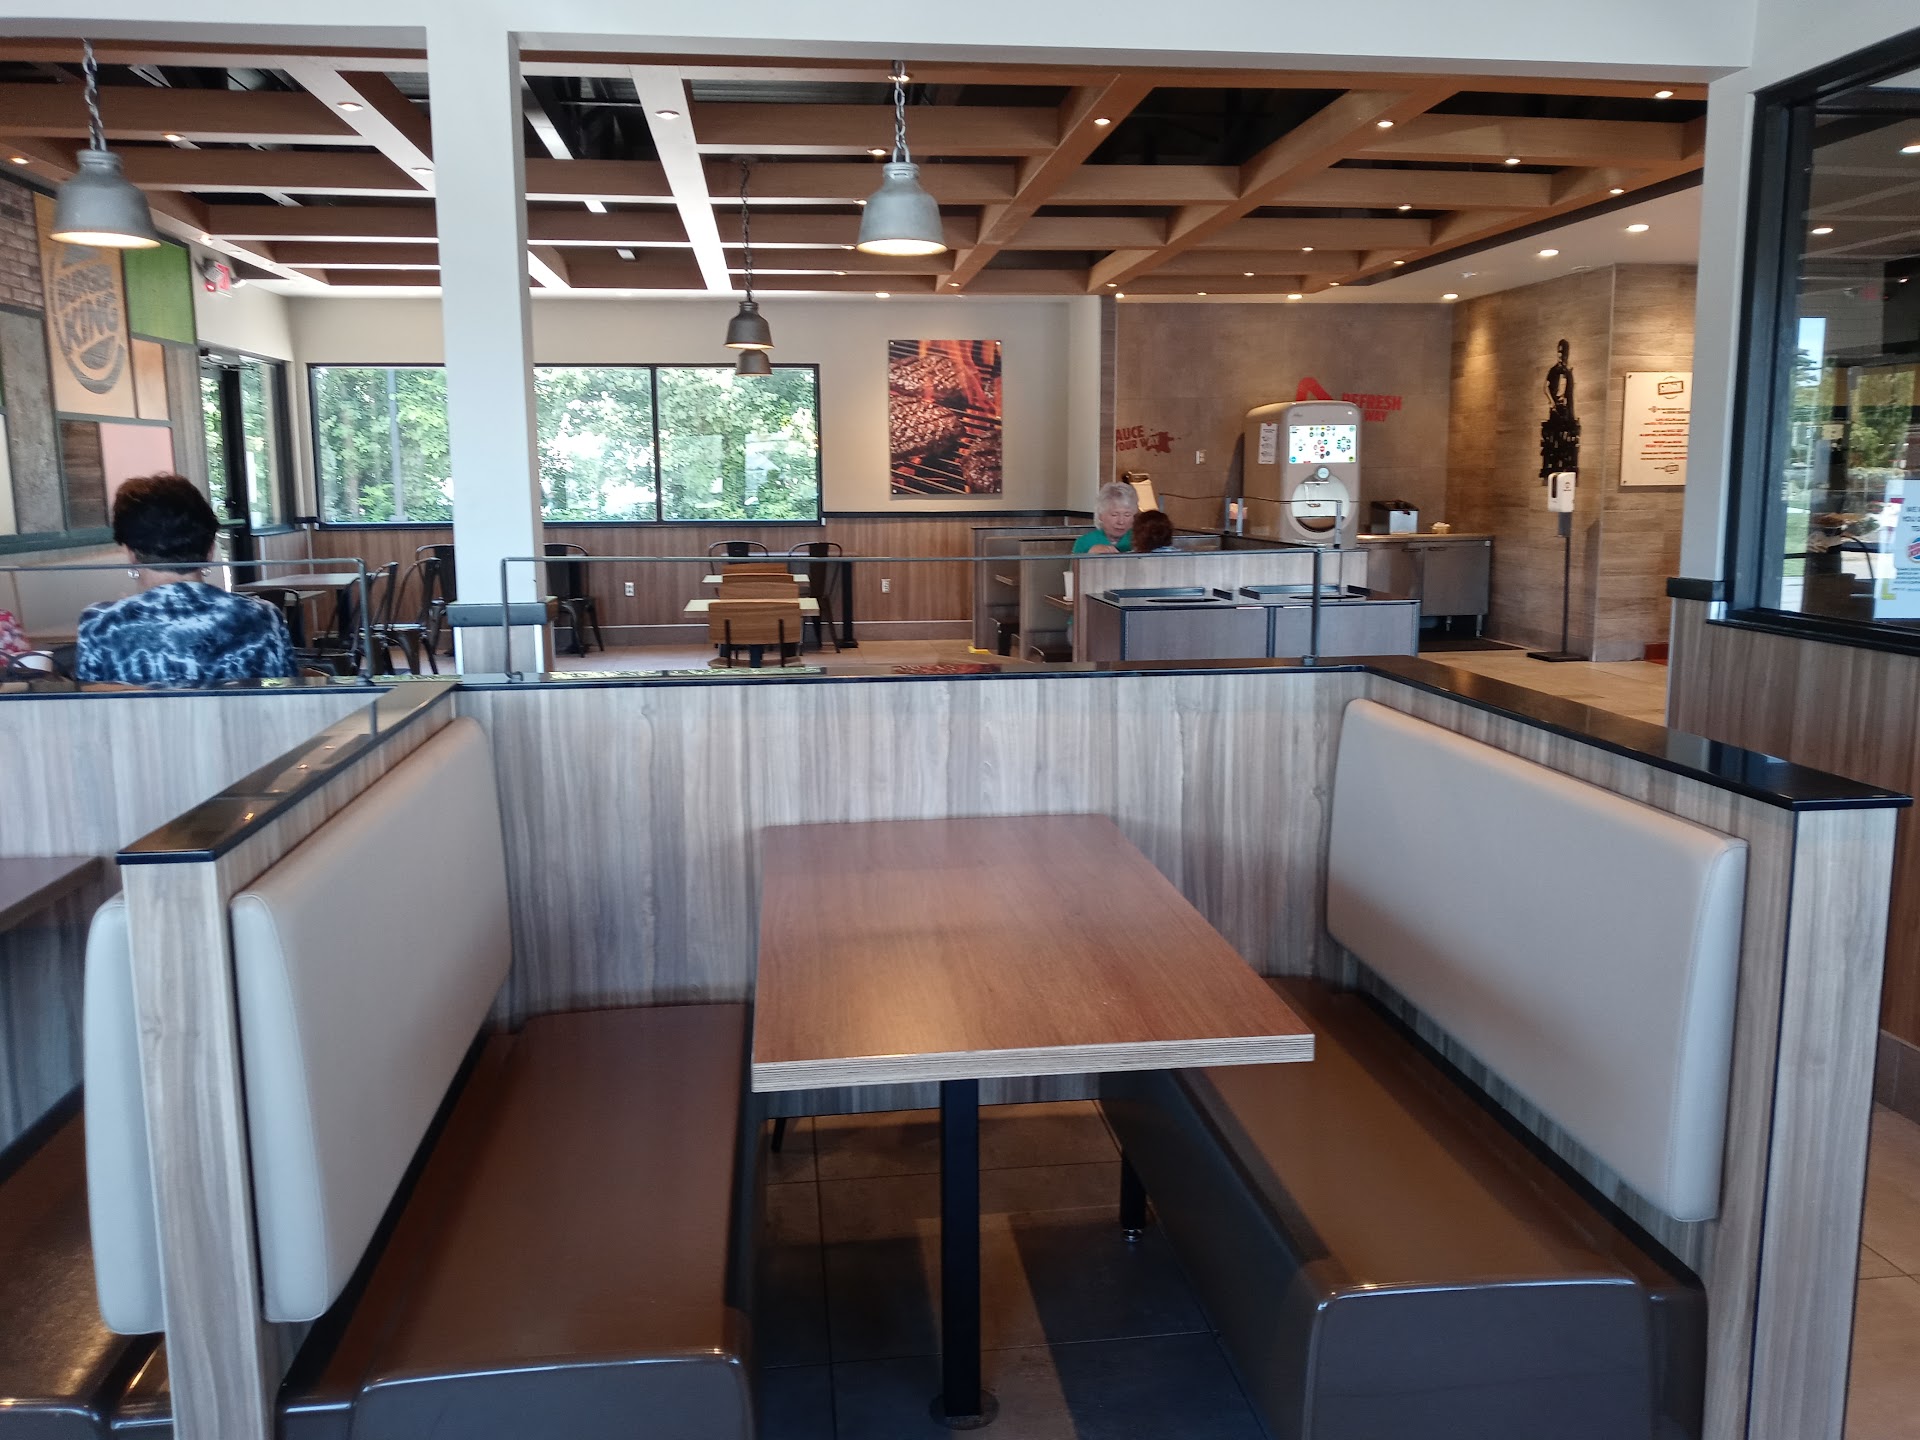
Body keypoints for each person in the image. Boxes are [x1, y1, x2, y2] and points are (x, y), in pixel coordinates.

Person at [75, 474, 297, 686]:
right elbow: (288, 699)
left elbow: (91, 707)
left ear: (131, 554)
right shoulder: (263, 618)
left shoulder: (101, 624)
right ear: (210, 551)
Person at [1074, 481, 1139, 554]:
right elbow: (1075, 561)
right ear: (1100, 516)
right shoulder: (1084, 542)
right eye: (1114, 515)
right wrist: (1089, 556)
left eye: (1127, 515)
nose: (1121, 521)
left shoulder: (1140, 540)